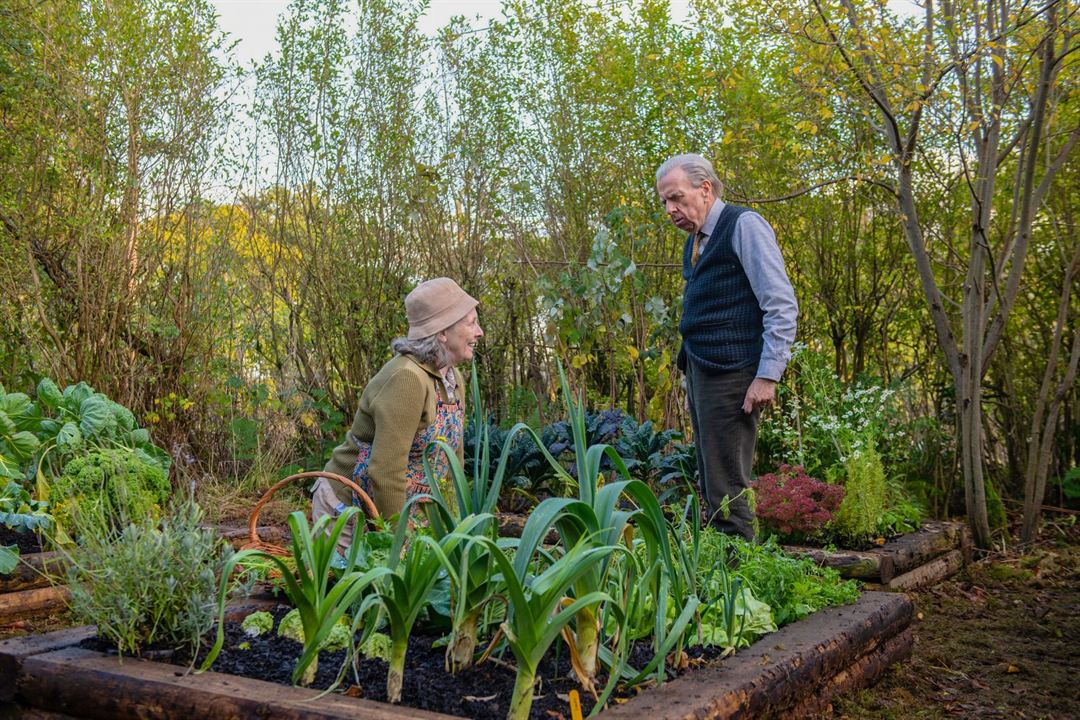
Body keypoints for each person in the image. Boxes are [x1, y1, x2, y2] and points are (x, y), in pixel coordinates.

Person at [655, 153, 797, 541]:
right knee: (711, 477)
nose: (671, 209)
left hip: (734, 371)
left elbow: (780, 303)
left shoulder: (743, 226)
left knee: (728, 484)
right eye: (665, 202)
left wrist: (767, 375)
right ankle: (722, 572)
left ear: (705, 188)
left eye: (677, 198)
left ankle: (738, 581)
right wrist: (692, 383)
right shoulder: (696, 241)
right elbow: (700, 315)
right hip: (704, 371)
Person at [311, 277, 484, 550]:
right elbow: (386, 470)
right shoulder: (407, 378)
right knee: (354, 590)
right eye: (471, 322)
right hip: (350, 510)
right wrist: (398, 544)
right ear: (442, 332)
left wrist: (451, 523)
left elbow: (452, 461)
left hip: (403, 512)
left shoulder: (452, 378)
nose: (479, 332)